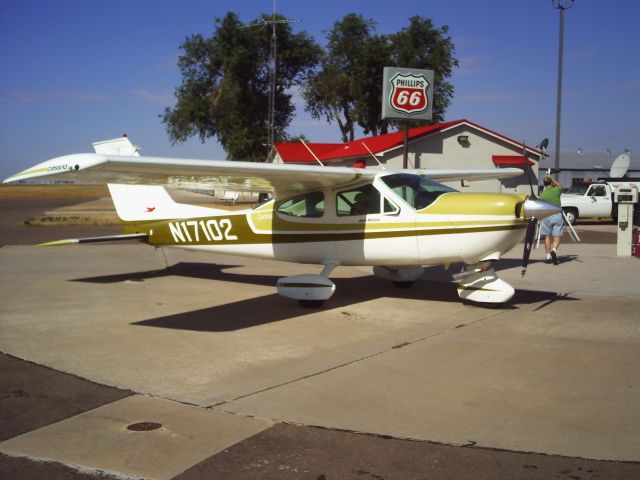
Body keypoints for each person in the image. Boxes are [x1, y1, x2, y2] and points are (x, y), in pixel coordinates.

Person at [539, 175, 563, 265]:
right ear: (551, 183)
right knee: (556, 237)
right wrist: (552, 178)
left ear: (544, 184)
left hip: (546, 216)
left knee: (547, 236)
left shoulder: (542, 195)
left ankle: (548, 256)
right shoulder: (556, 190)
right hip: (557, 215)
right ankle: (554, 249)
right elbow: (560, 186)